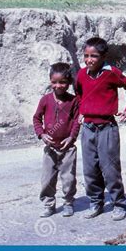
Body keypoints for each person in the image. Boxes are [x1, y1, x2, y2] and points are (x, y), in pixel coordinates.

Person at [75, 37, 126, 221]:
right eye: (86, 55)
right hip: (88, 128)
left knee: (110, 168)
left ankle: (119, 204)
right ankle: (95, 202)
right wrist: (82, 111)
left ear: (104, 56)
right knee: (90, 168)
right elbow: (78, 94)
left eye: (94, 56)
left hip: (107, 127)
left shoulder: (111, 73)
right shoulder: (81, 75)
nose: (89, 59)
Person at [33, 62, 80, 218]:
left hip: (68, 148)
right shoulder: (45, 100)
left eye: (62, 82)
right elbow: (36, 118)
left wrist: (72, 137)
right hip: (50, 148)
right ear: (50, 81)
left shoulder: (73, 101)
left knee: (69, 178)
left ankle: (68, 203)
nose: (58, 85)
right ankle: (48, 204)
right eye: (54, 82)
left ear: (69, 83)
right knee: (47, 179)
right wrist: (42, 134)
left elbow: (76, 121)